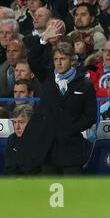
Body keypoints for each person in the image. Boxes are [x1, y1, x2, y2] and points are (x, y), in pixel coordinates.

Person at [21, 41, 97, 175]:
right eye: (56, 59)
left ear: (72, 60)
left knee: (72, 193)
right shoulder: (47, 78)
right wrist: (43, 40)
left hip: (71, 149)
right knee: (50, 192)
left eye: (63, 59)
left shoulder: (84, 85)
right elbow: (33, 59)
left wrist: (71, 128)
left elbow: (90, 116)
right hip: (48, 148)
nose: (59, 63)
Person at [5, 104, 34, 175]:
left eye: (21, 122)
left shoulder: (42, 139)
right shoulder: (12, 139)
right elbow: (10, 168)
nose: (17, 127)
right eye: (15, 122)